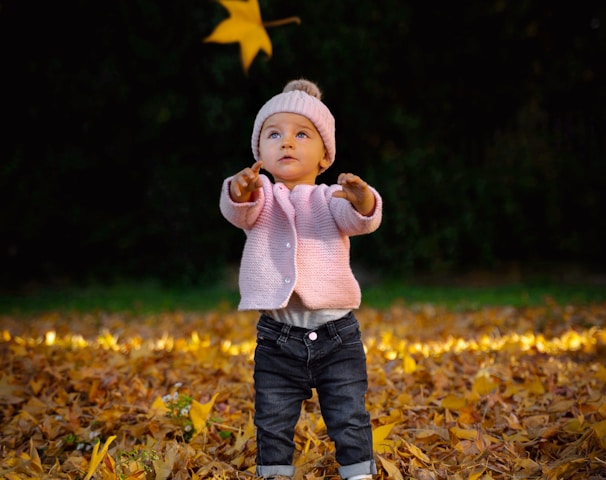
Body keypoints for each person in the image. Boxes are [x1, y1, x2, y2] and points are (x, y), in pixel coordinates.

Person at [219, 79, 382, 480]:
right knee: (272, 420)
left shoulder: (331, 199)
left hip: (337, 336)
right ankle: (275, 472)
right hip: (277, 339)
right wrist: (238, 191)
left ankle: (358, 473)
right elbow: (238, 210)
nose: (286, 143)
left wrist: (362, 198)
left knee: (349, 415)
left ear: (324, 154)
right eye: (274, 135)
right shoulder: (261, 197)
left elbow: (362, 220)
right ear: (261, 153)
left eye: (301, 134)